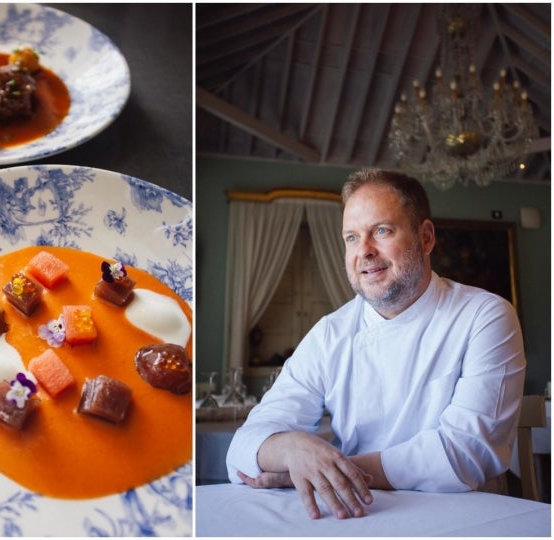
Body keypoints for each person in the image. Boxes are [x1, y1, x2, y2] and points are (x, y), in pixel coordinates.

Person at [225, 168, 526, 520]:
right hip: (360, 516)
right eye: (351, 238)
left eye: (381, 231)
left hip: (470, 518)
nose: (364, 251)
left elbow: (466, 453)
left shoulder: (484, 315)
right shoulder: (329, 334)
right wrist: (289, 449)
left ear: (425, 237)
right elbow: (242, 449)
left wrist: (332, 469)